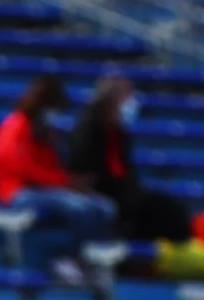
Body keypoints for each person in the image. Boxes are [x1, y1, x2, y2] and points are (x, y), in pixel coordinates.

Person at [0, 70, 115, 248]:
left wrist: (69, 182)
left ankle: (100, 255)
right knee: (77, 206)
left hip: (48, 190)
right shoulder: (15, 125)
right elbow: (22, 168)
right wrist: (66, 182)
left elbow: (51, 167)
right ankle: (76, 255)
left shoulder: (45, 131)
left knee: (103, 207)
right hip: (18, 193)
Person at [64, 72, 190, 243]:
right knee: (143, 207)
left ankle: (165, 254)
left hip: (122, 187)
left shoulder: (120, 131)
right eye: (125, 96)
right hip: (99, 189)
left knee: (167, 206)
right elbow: (81, 168)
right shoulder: (88, 130)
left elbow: (124, 168)